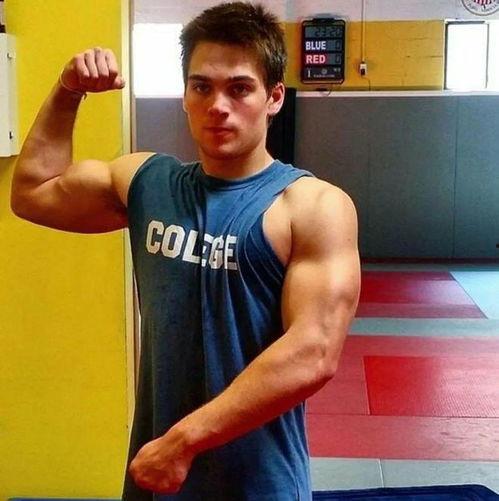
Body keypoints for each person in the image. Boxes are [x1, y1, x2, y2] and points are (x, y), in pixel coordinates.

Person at [10, 2, 361, 499]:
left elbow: (314, 352)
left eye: (239, 88)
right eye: (202, 87)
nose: (218, 105)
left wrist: (182, 442)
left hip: (256, 484)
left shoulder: (312, 206)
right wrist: (68, 92)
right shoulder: (148, 183)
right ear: (185, 96)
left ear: (274, 97)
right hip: (158, 477)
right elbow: (33, 193)